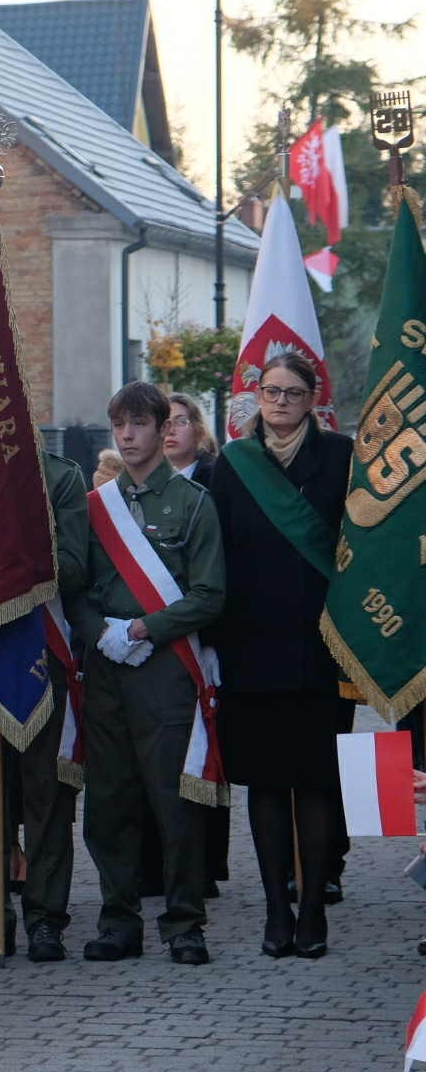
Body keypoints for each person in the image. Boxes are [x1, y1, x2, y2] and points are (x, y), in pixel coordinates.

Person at [73, 381, 225, 966]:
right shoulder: (96, 509)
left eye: (138, 424)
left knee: (173, 798)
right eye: (120, 426)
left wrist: (144, 630)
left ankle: (184, 922)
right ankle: (118, 919)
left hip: (165, 667)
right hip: (107, 665)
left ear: (163, 430)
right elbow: (77, 588)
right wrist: (103, 633)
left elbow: (211, 594)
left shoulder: (193, 504)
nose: (128, 436)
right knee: (110, 797)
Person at [209, 353, 353, 959]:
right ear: (256, 395)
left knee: (317, 783)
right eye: (271, 392)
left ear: (313, 398)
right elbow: (213, 557)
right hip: (251, 648)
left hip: (324, 648)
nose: (281, 403)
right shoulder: (231, 466)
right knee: (265, 785)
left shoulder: (343, 459)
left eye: (294, 393)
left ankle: (314, 909)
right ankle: (275, 910)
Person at [0, 448, 89, 963]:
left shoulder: (61, 475)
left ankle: (45, 919)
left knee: (45, 796)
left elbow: (75, 567)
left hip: (40, 652)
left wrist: (17, 557)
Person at [143, 393, 229, 899]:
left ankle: (204, 866)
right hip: (147, 642)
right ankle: (156, 863)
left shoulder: (213, 482)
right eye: (165, 423)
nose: (172, 431)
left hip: (200, 637)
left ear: (198, 429)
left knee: (203, 751)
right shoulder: (129, 489)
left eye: (181, 422)